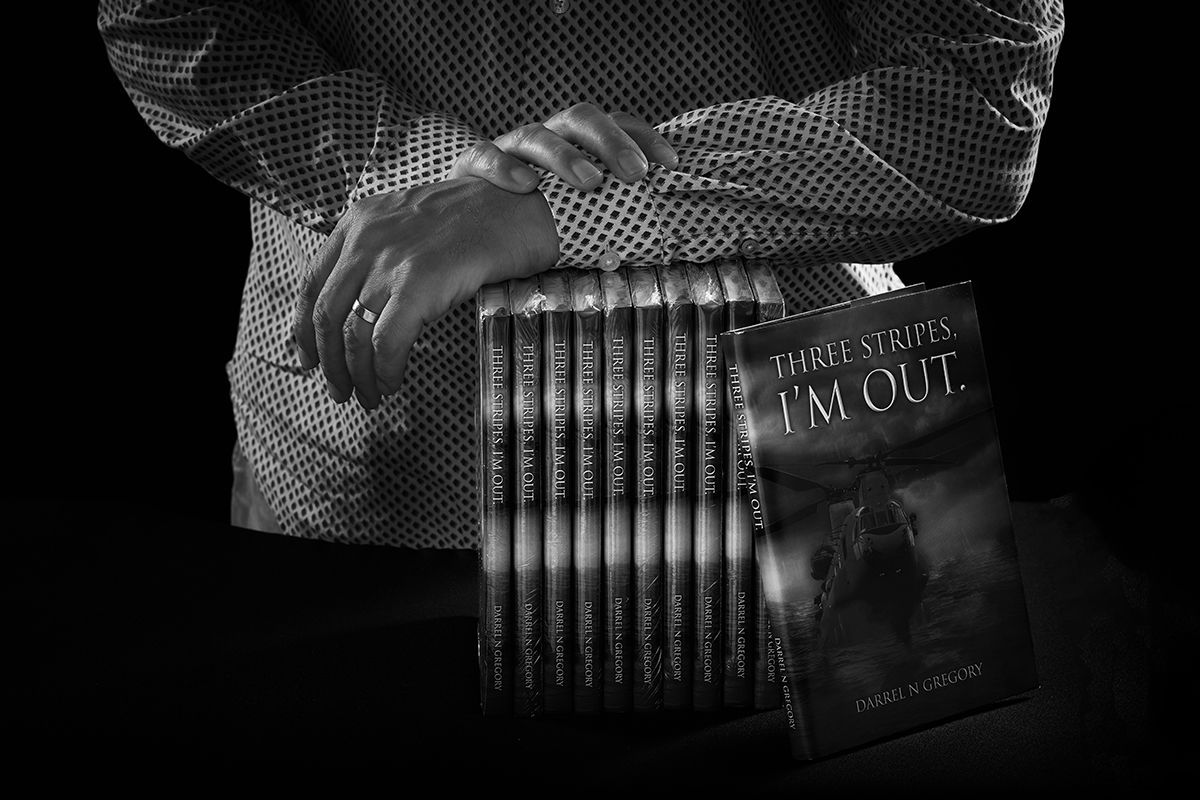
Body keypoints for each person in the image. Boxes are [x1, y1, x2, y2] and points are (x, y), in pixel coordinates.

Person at [97, 0, 1064, 548]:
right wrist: (432, 181)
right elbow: (166, 15)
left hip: (782, 486)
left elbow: (976, 102)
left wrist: (546, 206)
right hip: (367, 471)